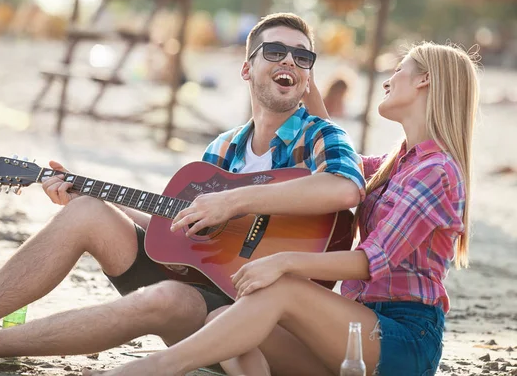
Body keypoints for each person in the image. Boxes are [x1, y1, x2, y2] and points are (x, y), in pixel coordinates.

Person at [0, 12, 365, 371]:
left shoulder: (321, 136)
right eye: (275, 50)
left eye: (302, 56)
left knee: (167, 296)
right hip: (207, 288)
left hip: (260, 322)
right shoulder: (223, 147)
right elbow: (183, 233)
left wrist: (233, 201)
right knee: (89, 212)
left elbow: (346, 189)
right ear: (247, 68)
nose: (289, 60)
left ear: (308, 78)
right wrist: (91, 196)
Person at [78, 42, 480, 376]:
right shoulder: (397, 162)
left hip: (401, 340)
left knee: (282, 287)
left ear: (424, 79)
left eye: (400, 70)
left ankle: (158, 368)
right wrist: (307, 87)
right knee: (227, 326)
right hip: (350, 326)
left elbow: (369, 261)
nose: (388, 80)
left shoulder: (437, 171)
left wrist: (284, 262)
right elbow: (339, 167)